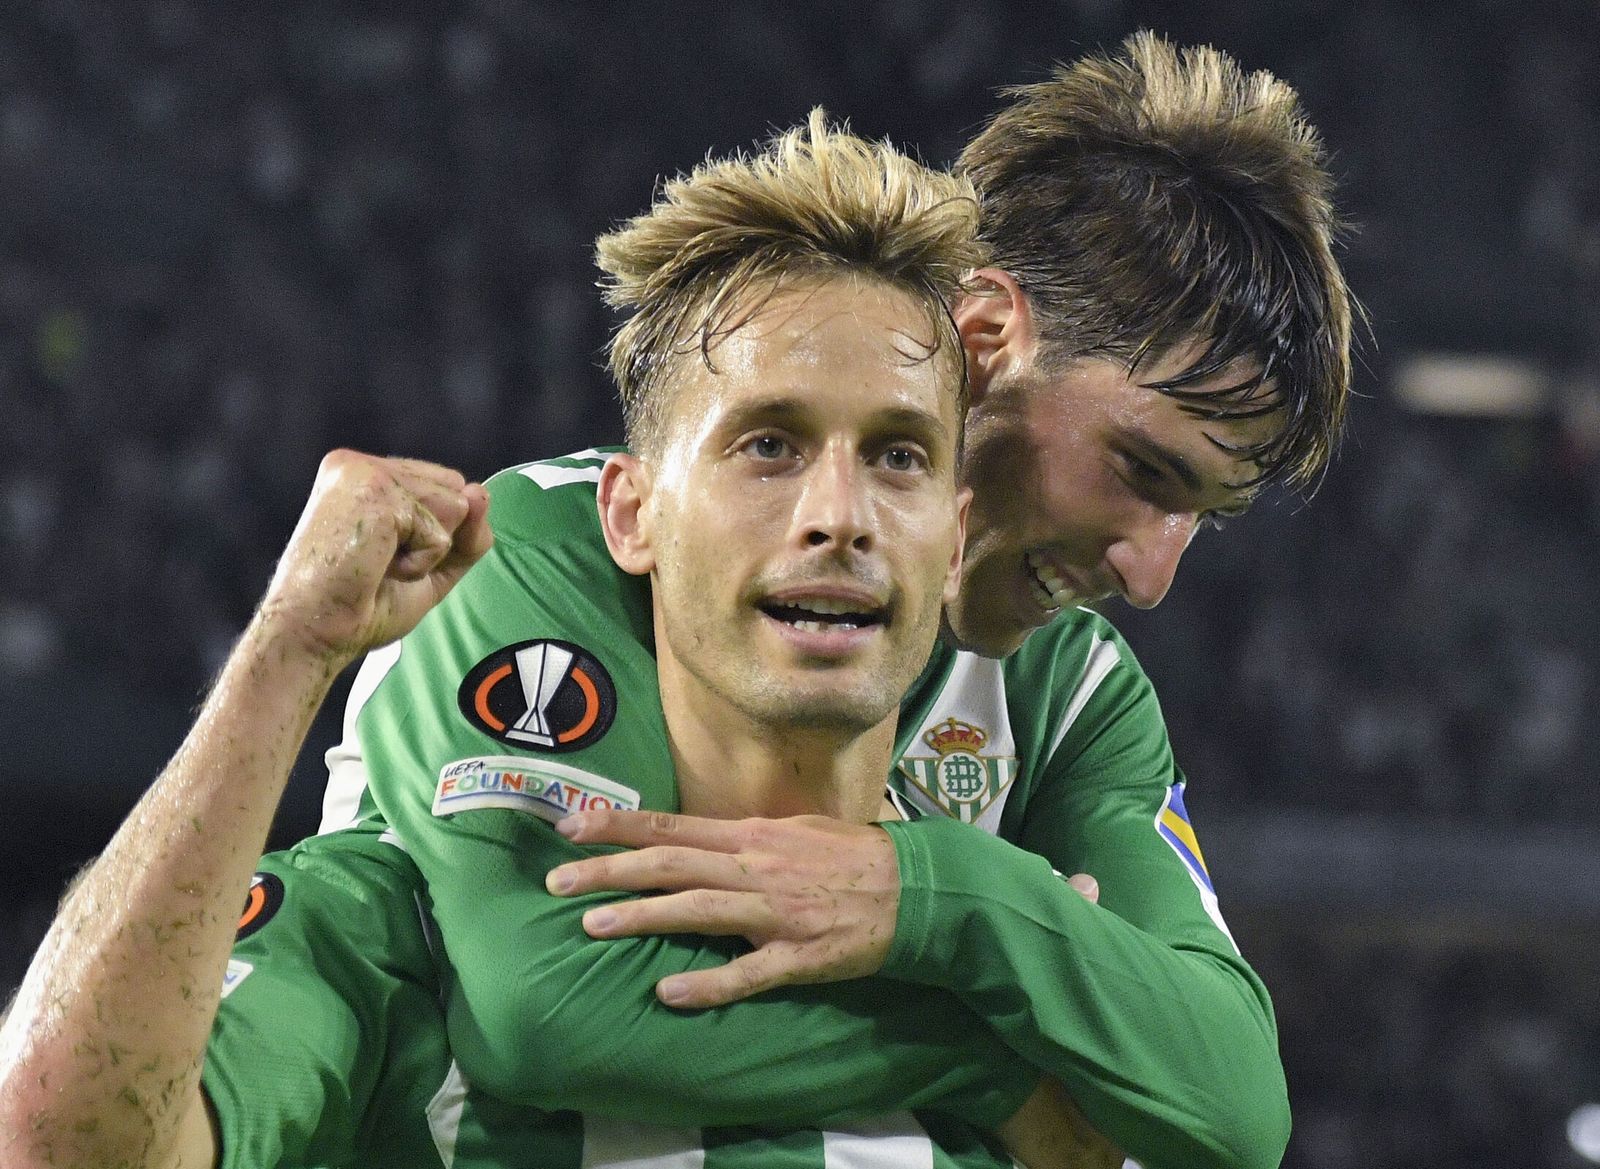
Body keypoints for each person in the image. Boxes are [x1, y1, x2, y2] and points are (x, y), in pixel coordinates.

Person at [323, 30, 1354, 1169]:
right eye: (1144, 470)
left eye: (1200, 515)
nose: (1151, 574)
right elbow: (547, 1002)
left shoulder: (1071, 695)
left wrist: (939, 892)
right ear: (988, 338)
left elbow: (1233, 1106)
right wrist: (994, 1062)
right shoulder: (548, 550)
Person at [0, 114, 1107, 1169]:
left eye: (900, 456)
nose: (839, 515)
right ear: (631, 515)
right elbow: (57, 1143)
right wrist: (283, 657)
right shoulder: (404, 925)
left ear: (954, 532)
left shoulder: (1034, 953)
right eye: (768, 446)